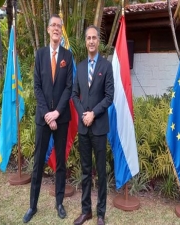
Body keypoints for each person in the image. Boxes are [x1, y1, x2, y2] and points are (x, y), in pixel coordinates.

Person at [23, 14, 73, 223]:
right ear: (47, 29)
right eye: (52, 25)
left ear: (61, 31)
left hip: (60, 119)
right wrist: (47, 114)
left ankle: (59, 203)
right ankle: (32, 206)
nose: (55, 28)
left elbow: (69, 87)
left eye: (58, 26)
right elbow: (37, 87)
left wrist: (57, 113)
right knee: (38, 164)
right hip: (44, 119)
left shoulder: (67, 56)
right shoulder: (40, 55)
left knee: (60, 162)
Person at [72, 25, 114, 225]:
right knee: (86, 171)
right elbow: (74, 94)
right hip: (83, 128)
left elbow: (109, 97)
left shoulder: (106, 66)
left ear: (98, 41)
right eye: (88, 38)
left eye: (94, 38)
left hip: (99, 128)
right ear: (85, 41)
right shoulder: (79, 67)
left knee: (101, 171)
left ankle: (100, 214)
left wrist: (93, 114)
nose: (91, 41)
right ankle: (86, 211)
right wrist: (83, 115)